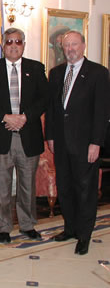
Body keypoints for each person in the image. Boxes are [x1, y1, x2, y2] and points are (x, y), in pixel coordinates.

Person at [0, 28, 49, 244]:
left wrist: (25, 117)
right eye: (9, 41)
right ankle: (3, 227)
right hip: (1, 136)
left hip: (28, 136)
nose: (13, 45)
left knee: (27, 185)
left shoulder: (36, 69)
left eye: (18, 41)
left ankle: (27, 225)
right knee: (0, 186)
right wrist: (6, 117)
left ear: (23, 44)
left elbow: (44, 99)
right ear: (3, 45)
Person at [45, 30, 110, 255]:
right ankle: (70, 228)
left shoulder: (98, 73)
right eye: (66, 45)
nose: (70, 49)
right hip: (61, 143)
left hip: (85, 144)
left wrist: (96, 143)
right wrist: (50, 136)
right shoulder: (55, 73)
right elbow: (52, 108)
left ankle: (84, 235)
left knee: (85, 190)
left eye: (74, 44)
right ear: (62, 48)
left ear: (83, 46)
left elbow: (102, 112)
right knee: (65, 188)